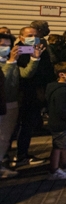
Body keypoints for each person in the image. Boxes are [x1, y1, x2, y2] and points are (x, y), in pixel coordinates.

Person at [0, 33, 41, 178]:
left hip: (12, 102)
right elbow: (3, 80)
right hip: (2, 102)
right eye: (2, 45)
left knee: (5, 137)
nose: (5, 48)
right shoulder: (7, 62)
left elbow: (25, 74)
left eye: (7, 45)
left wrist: (35, 58)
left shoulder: (8, 61)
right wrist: (11, 61)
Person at [13, 26, 53, 167]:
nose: (33, 37)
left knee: (28, 125)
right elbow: (23, 73)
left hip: (36, 93)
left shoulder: (40, 49)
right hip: (22, 93)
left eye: (36, 35)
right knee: (18, 126)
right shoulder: (18, 50)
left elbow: (47, 70)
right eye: (29, 35)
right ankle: (17, 155)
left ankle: (22, 153)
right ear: (21, 37)